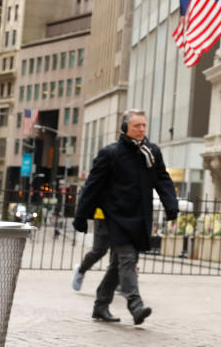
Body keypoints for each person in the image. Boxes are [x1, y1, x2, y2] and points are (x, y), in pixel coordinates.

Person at [73, 109, 178, 324]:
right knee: (128, 259)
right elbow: (92, 186)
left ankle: (101, 305)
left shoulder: (151, 152)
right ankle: (135, 304)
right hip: (116, 217)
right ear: (125, 128)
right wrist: (81, 215)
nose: (141, 130)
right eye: (136, 126)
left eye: (143, 126)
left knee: (118, 264)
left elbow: (162, 179)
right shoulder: (110, 153)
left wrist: (171, 205)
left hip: (140, 217)